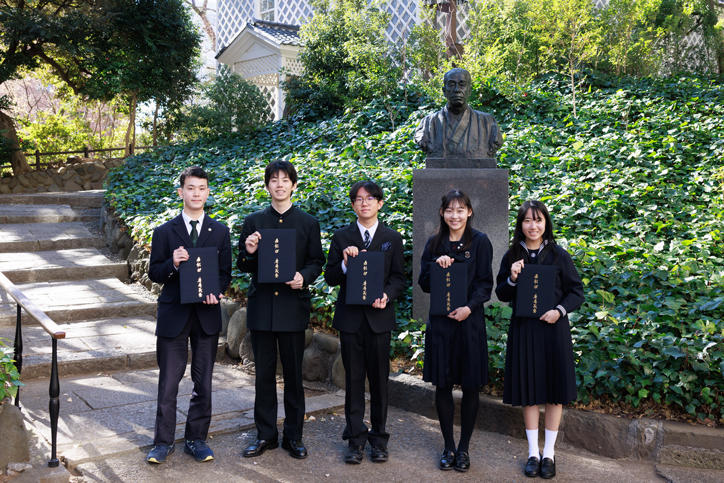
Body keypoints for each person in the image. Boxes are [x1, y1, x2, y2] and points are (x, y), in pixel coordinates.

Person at [237, 160, 325, 460]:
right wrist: (250, 251)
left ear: (293, 185)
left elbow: (317, 261)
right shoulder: (254, 221)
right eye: (273, 179)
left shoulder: (308, 223)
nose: (279, 184)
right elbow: (243, 264)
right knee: (263, 375)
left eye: (285, 179)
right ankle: (265, 435)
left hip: (292, 307)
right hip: (262, 307)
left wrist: (304, 277)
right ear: (267, 186)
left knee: (293, 376)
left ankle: (294, 436)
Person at [146, 166, 232, 464]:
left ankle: (196, 439)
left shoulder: (220, 231)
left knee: (203, 382)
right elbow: (154, 272)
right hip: (174, 314)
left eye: (202, 188)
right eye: (191, 188)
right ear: (181, 192)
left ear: (208, 192)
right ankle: (162, 442)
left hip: (206, 314)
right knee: (168, 382)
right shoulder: (164, 232)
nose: (196, 193)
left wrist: (216, 291)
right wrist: (172, 262)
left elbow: (224, 274)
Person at [495, 200, 584, 479]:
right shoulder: (512, 255)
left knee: (554, 391)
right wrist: (512, 278)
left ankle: (549, 453)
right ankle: (533, 452)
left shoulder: (559, 255)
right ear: (520, 225)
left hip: (553, 330)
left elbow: (576, 292)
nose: (533, 226)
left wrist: (559, 311)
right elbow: (501, 293)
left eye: (538, 220)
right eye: (527, 220)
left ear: (546, 223)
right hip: (525, 330)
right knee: (529, 390)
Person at [324, 180, 406, 465]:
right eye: (359, 199)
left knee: (380, 382)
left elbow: (399, 278)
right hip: (350, 320)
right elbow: (330, 277)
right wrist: (345, 263)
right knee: (354, 381)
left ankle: (379, 440)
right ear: (353, 205)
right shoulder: (342, 237)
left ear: (380, 203)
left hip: (379, 320)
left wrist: (387, 295)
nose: (364, 203)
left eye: (370, 198)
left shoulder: (392, 238)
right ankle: (355, 440)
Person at [418, 190, 493, 473]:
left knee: (471, 386)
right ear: (442, 213)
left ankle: (464, 448)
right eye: (449, 210)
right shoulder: (434, 243)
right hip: (441, 324)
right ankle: (448, 446)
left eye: (460, 210)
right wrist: (436, 266)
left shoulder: (480, 242)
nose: (455, 215)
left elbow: (485, 284)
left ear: (469, 212)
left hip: (469, 323)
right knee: (443, 384)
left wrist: (469, 308)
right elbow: (424, 283)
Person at [414, 67, 503, 160]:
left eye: (462, 84)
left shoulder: (488, 123)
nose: (457, 89)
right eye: (451, 84)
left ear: (469, 90)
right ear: (444, 91)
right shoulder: (427, 124)